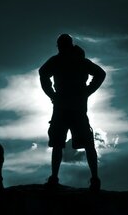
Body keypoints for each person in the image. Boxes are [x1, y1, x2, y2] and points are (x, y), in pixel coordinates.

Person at [39, 33, 106, 191]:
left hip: (68, 108)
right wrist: (52, 94)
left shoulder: (65, 61)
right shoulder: (77, 61)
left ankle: (91, 179)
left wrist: (88, 91)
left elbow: (100, 74)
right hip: (71, 108)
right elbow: (43, 74)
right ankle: (92, 178)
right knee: (63, 143)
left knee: (63, 144)